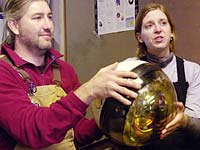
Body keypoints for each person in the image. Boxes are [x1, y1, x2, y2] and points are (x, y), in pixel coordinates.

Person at [0, 0, 142, 149]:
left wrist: (109, 119)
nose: (48, 26)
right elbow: (33, 131)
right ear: (14, 26)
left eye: (49, 17)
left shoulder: (64, 70)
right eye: (37, 18)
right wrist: (89, 90)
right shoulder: (4, 72)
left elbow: (75, 134)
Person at [122, 2, 200, 150]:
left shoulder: (192, 71)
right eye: (149, 26)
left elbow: (197, 126)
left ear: (171, 33)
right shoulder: (129, 68)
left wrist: (184, 121)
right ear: (139, 37)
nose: (158, 29)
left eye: (163, 23)